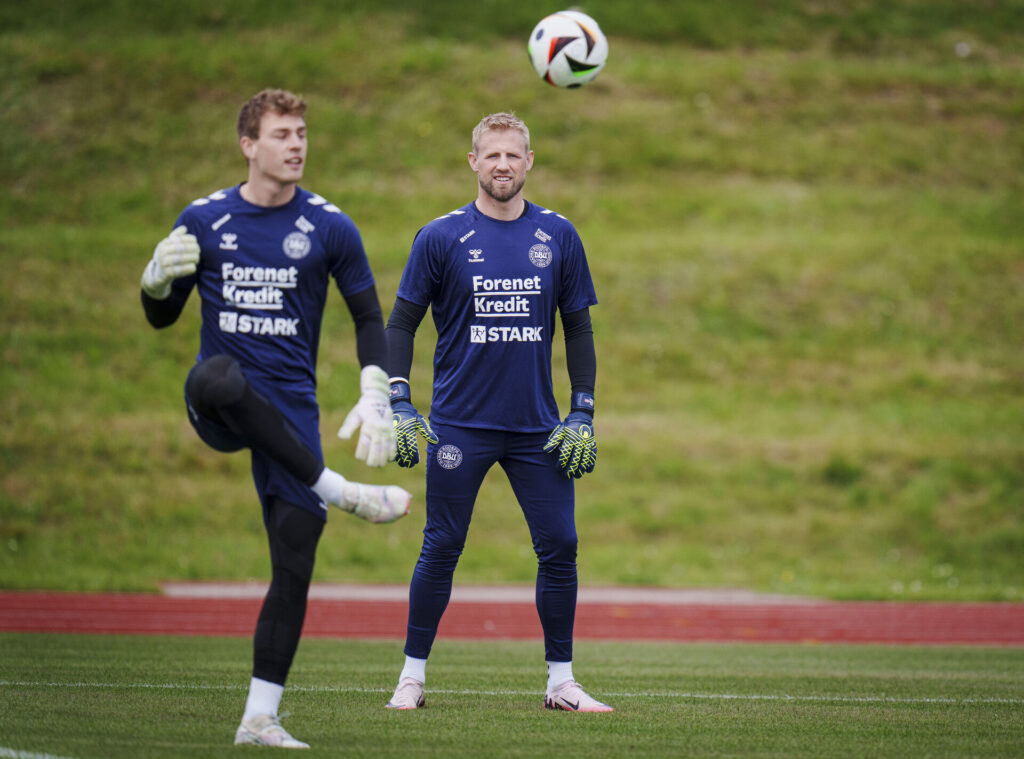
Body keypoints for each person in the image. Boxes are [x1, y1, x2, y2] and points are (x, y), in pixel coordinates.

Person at [140, 88, 411, 749]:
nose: (296, 145)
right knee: (218, 375)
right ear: (248, 145)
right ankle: (338, 489)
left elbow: (369, 317)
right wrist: (153, 281)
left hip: (290, 418)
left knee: (295, 557)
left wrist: (376, 390)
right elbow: (160, 318)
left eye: (302, 134)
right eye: (283, 133)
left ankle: (258, 717)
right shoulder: (204, 219)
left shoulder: (329, 226)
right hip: (221, 404)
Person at [383, 112, 612, 713]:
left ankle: (561, 682)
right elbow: (402, 322)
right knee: (442, 546)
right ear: (473, 162)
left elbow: (578, 328)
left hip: (539, 427)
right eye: (492, 156)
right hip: (459, 423)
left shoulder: (559, 235)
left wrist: (582, 412)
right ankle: (411, 677)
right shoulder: (439, 236)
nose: (503, 165)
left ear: (529, 161)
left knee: (560, 544)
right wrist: (400, 399)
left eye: (514, 155)